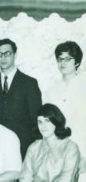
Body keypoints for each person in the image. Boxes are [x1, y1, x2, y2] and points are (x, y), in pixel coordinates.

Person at [0, 38, 42, 158]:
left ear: (15, 54)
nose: (3, 58)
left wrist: (37, 146)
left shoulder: (29, 83)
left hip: (22, 145)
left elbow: (36, 117)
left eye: (7, 53)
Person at [46, 41, 86, 176]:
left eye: (68, 59)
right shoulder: (52, 90)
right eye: (60, 59)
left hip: (82, 150)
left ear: (77, 62)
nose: (63, 63)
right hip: (59, 152)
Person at [20, 104, 80, 182]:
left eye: (47, 121)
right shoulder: (33, 147)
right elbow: (25, 177)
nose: (43, 126)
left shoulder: (70, 147)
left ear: (56, 121)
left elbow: (66, 179)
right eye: (40, 122)